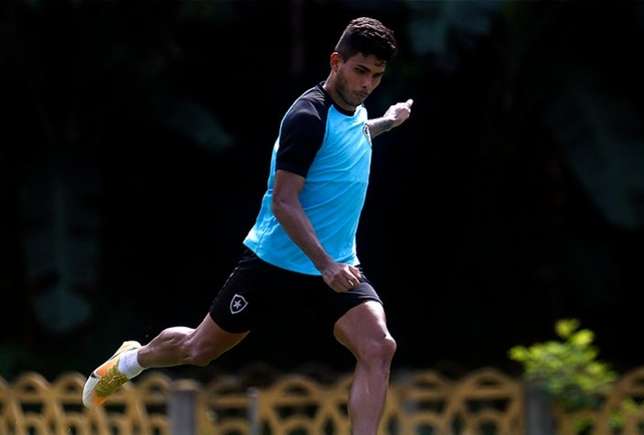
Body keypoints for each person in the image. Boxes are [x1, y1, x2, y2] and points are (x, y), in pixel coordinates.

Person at [81, 17, 412, 434]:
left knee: (379, 347)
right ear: (336, 61)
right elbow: (284, 202)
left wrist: (387, 121)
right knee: (197, 349)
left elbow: (354, 134)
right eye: (360, 71)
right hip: (277, 262)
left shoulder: (355, 111)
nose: (367, 84)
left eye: (377, 76)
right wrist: (326, 264)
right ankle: (132, 360)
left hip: (336, 266)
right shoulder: (307, 117)